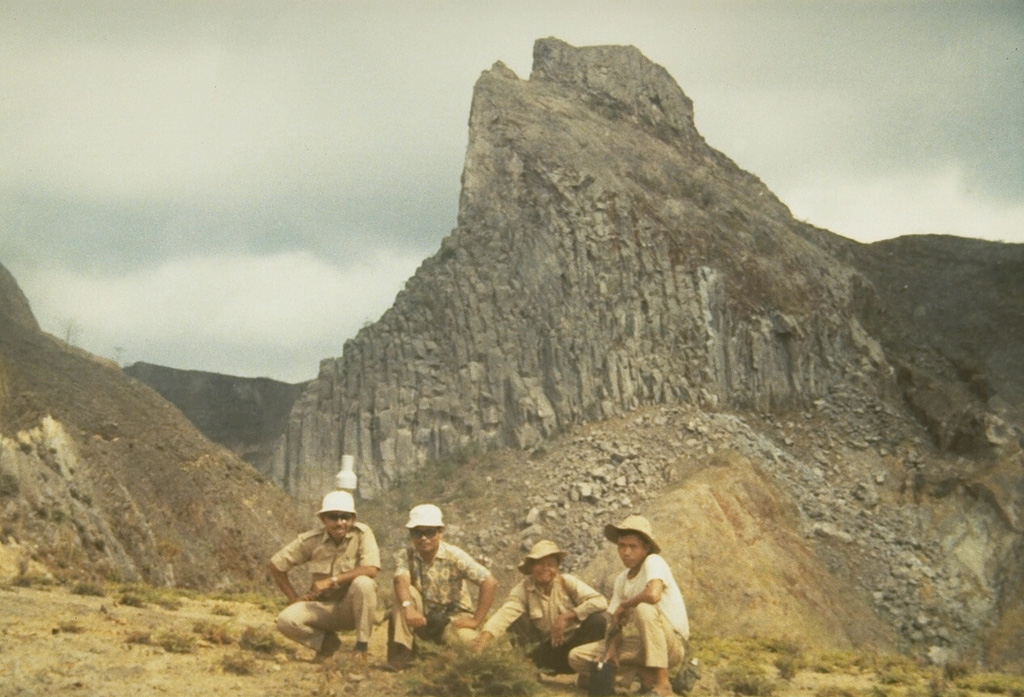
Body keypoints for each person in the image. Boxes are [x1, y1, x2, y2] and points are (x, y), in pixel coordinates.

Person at [568, 515, 689, 697]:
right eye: (622, 546)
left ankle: (663, 685)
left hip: (671, 644)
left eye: (633, 547)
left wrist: (626, 604)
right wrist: (612, 649)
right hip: (647, 645)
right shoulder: (621, 580)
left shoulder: (653, 561)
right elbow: (614, 622)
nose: (626, 552)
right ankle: (642, 675)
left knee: (644, 609)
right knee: (576, 657)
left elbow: (653, 595)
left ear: (646, 547)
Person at [268, 490, 380, 666]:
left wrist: (333, 581)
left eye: (345, 517)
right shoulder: (312, 540)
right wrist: (294, 599)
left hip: (353, 608)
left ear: (352, 519)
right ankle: (327, 644)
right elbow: (276, 565)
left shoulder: (362, 534)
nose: (339, 522)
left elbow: (371, 569)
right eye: (333, 517)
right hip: (323, 608)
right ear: (323, 519)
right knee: (285, 620)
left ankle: (361, 647)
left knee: (364, 583)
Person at [387, 503, 497, 670]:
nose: (423, 538)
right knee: (402, 595)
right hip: (422, 618)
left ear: (440, 532)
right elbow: (400, 580)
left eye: (429, 532)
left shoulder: (454, 555)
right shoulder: (407, 555)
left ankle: (440, 655)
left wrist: (475, 620)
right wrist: (409, 607)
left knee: (471, 648)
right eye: (417, 532)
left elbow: (489, 582)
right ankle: (402, 653)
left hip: (452, 620)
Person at [473, 539, 608, 674]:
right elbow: (505, 613)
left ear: (556, 568)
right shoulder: (523, 589)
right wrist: (484, 638)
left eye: (550, 564)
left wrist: (566, 616)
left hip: (575, 647)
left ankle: (588, 672)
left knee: (597, 620)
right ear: (531, 567)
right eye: (540, 564)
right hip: (545, 651)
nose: (545, 569)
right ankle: (530, 669)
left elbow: (600, 601)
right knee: (517, 619)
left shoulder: (567, 582)